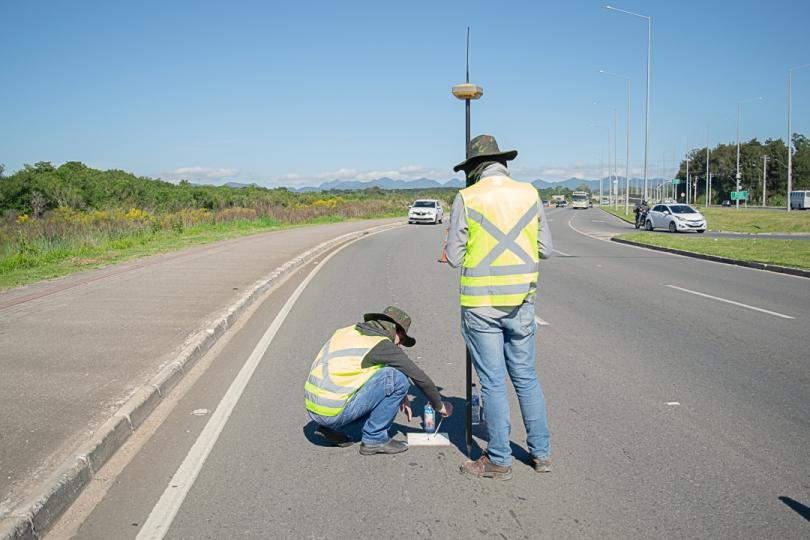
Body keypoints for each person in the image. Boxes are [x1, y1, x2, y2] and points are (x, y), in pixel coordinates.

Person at [445, 134, 553, 480]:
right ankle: (541, 453)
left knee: (493, 382)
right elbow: (546, 249)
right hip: (522, 302)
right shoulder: (530, 194)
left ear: (474, 169)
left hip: (482, 305)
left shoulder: (467, 197)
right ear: (502, 164)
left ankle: (500, 460)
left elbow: (455, 257)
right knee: (526, 377)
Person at [305, 306, 453, 455]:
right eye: (400, 340)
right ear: (396, 331)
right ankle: (374, 439)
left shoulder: (348, 332)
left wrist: (402, 395)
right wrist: (439, 405)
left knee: (389, 376)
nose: (398, 345)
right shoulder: (380, 344)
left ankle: (331, 428)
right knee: (399, 378)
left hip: (315, 409)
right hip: (333, 412)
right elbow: (418, 377)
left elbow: (361, 371)